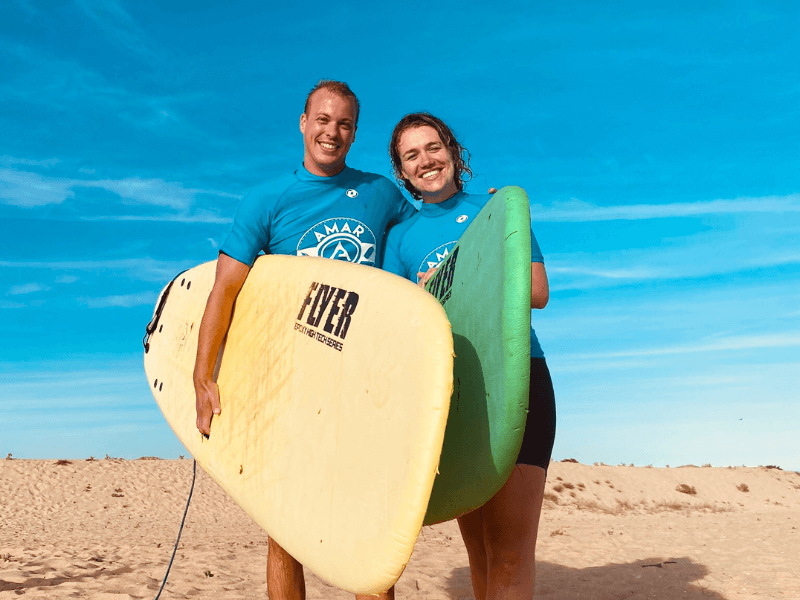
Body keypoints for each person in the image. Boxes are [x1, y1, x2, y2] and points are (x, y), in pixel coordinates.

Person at [193, 80, 415, 600]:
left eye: (343, 124)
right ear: (303, 122)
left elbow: (425, 234)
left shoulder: (382, 192)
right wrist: (203, 374)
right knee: (285, 529)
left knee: (368, 528)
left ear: (355, 132)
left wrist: (477, 213)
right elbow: (225, 289)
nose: (331, 132)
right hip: (290, 382)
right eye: (322, 119)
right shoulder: (266, 200)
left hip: (363, 380)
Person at [382, 113, 557, 600]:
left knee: (509, 552)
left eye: (433, 148)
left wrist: (452, 281)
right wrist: (422, 301)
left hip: (515, 380)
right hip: (453, 398)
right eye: (411, 155)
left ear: (453, 152)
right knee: (479, 551)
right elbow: (400, 329)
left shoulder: (499, 212)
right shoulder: (400, 239)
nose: (426, 161)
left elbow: (538, 290)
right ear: (402, 170)